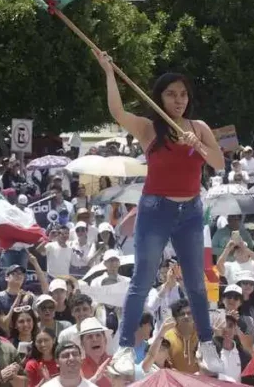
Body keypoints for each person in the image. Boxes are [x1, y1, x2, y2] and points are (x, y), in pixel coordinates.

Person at [93, 50, 226, 376]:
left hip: (192, 211)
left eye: (183, 94)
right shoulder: (150, 128)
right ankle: (125, 347)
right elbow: (117, 111)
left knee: (196, 282)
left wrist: (199, 143)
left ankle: (206, 342)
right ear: (160, 97)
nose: (178, 99)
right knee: (141, 280)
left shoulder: (199, 127)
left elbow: (219, 163)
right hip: (156, 209)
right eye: (171, 93)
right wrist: (109, 72)